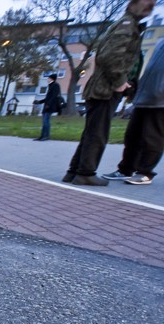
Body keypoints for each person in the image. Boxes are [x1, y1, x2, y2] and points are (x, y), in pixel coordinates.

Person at [63, 0, 154, 186]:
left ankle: (74, 172)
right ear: (132, 4)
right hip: (105, 89)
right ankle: (85, 172)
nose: (150, 6)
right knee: (97, 133)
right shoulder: (127, 25)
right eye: (146, 2)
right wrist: (120, 82)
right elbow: (110, 55)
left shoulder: (128, 25)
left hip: (102, 88)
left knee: (91, 132)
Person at [102, 38, 164, 185]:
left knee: (152, 138)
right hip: (145, 96)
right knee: (132, 136)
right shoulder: (160, 41)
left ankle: (145, 173)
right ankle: (125, 169)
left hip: (160, 100)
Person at [33, 73, 62, 140]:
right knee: (44, 121)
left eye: (49, 78)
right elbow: (47, 98)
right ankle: (42, 136)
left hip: (50, 106)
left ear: (52, 79)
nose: (47, 79)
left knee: (46, 121)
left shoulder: (55, 85)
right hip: (47, 106)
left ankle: (46, 136)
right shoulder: (51, 86)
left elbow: (54, 97)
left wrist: (48, 104)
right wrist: (39, 102)